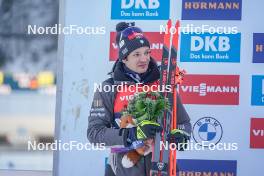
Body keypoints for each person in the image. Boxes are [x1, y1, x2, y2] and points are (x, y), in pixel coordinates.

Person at [87, 22, 191, 176]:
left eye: (147, 52)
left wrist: (181, 136)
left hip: (163, 167)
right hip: (122, 170)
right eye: (136, 54)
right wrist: (132, 135)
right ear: (124, 58)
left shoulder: (164, 84)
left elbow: (184, 123)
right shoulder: (108, 88)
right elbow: (95, 134)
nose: (144, 59)